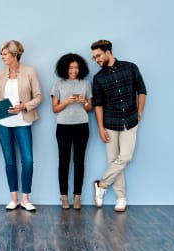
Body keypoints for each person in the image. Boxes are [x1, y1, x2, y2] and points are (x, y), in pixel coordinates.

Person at [90, 40, 147, 212]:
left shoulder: (130, 68)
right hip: (110, 123)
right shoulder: (98, 78)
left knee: (125, 158)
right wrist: (100, 127)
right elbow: (98, 104)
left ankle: (101, 185)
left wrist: (140, 112)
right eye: (94, 58)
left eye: (98, 55)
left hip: (130, 120)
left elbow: (142, 90)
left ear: (108, 52)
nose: (97, 60)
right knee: (113, 161)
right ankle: (121, 198)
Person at [0, 40, 42, 211]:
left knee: (28, 160)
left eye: (5, 54)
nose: (2, 57)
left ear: (14, 55)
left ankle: (26, 198)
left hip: (23, 121)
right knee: (9, 161)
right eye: (1, 54)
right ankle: (14, 198)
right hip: (2, 123)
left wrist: (24, 106)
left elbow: (39, 97)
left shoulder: (30, 72)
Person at [51, 53, 92, 210]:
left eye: (76, 67)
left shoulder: (86, 84)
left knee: (79, 161)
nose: (74, 70)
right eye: (71, 68)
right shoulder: (58, 84)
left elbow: (90, 108)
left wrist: (85, 102)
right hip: (63, 126)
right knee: (64, 161)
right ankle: (64, 197)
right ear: (65, 69)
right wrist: (67, 101)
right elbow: (54, 109)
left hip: (82, 125)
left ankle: (77, 196)